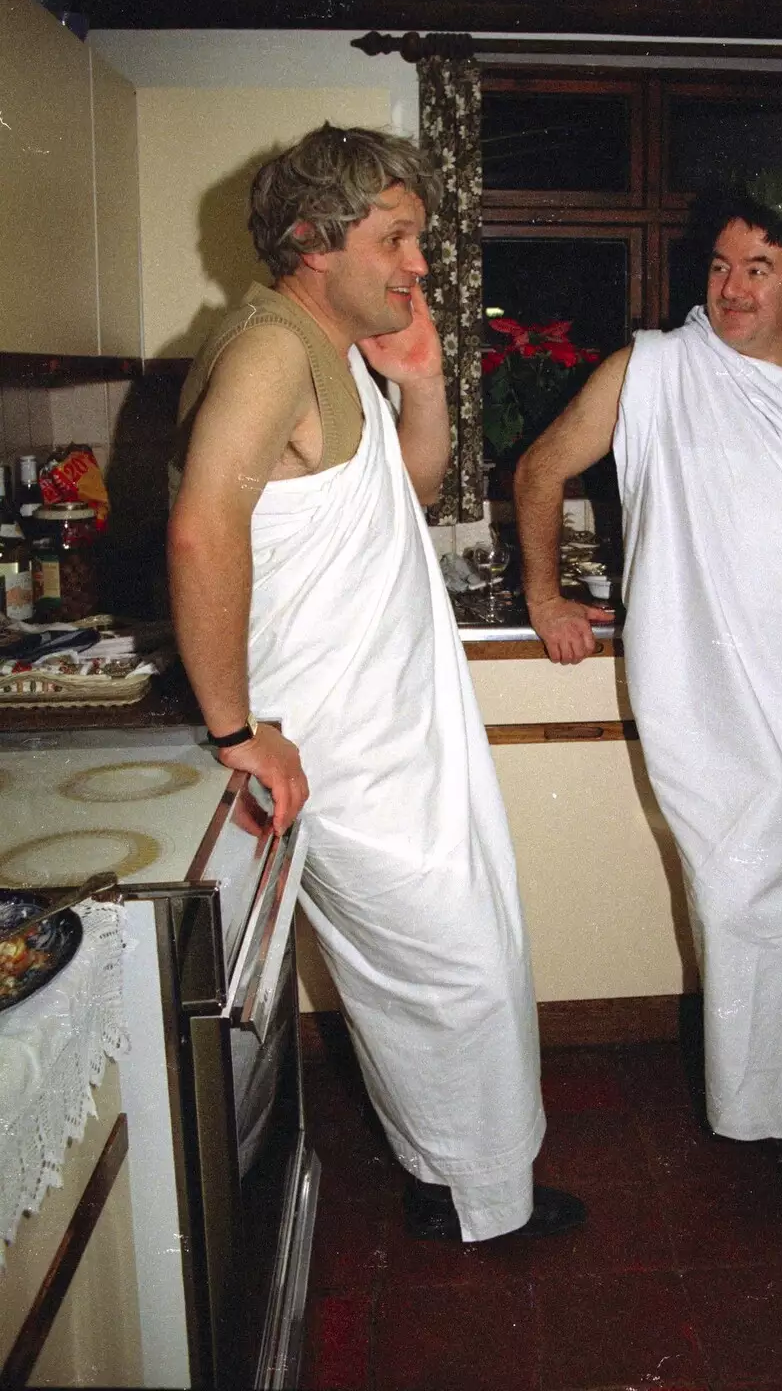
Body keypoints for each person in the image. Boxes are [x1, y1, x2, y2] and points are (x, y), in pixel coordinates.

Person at [168, 123, 584, 1243]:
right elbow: (203, 531)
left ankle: (456, 1176)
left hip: (385, 731)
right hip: (335, 746)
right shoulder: (268, 348)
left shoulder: (327, 347)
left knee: (452, 965)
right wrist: (234, 728)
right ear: (313, 239)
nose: (418, 264)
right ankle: (473, 1193)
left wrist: (427, 380)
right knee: (455, 970)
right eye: (396, 237)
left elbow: (401, 488)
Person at [514, 194, 782, 1216]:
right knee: (739, 894)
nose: (733, 285)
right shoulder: (654, 369)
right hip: (702, 679)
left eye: (759, 267)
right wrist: (543, 595)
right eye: (718, 266)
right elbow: (540, 468)